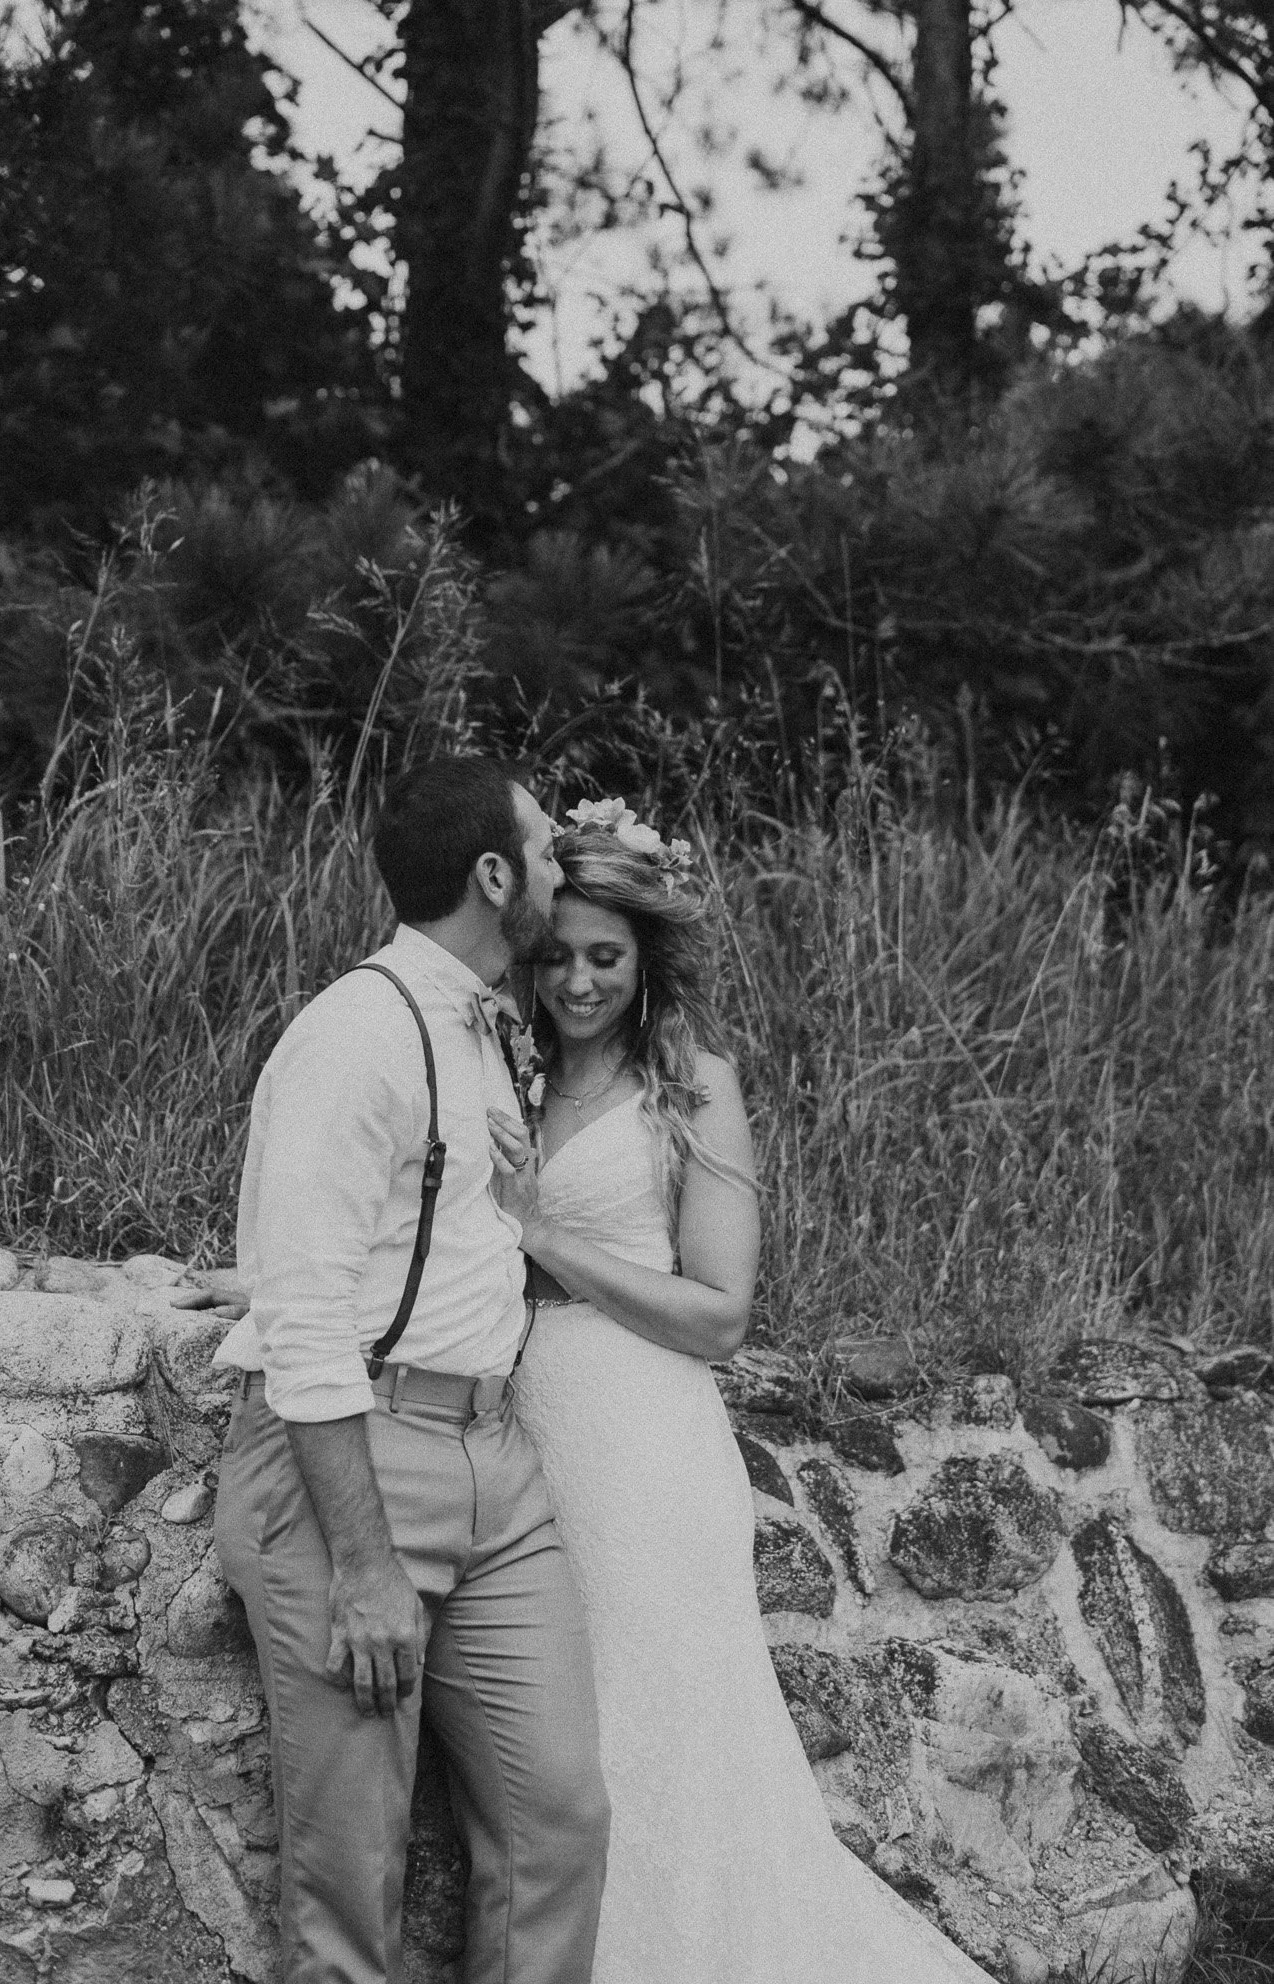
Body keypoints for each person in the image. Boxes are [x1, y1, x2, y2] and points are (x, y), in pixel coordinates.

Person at [485, 797, 994, 1984]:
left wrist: (544, 1234)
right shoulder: (500, 1063)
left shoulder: (693, 1082)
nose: (575, 981)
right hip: (521, 1431)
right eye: (555, 953)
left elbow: (720, 1313)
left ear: (646, 956)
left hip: (643, 1442)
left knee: (661, 1735)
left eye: (604, 956)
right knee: (565, 1756)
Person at [211, 756, 611, 1984]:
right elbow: (309, 1325)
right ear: (493, 876)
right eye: (545, 849)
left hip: (496, 1463)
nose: (562, 866)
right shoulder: (354, 1034)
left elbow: (432, 1248)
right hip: (355, 1467)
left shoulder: (490, 1023)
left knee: (559, 1821)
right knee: (352, 1877)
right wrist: (366, 1561)